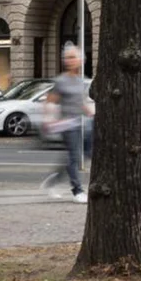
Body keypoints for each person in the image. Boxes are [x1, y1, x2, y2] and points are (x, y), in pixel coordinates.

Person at [42, 46, 93, 202]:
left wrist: (91, 113)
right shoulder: (61, 81)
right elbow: (50, 101)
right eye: (67, 57)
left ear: (81, 60)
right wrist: (49, 120)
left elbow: (80, 102)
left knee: (86, 153)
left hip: (81, 123)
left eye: (73, 57)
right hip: (66, 124)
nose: (70, 61)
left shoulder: (81, 80)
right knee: (74, 156)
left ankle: (53, 181)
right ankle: (77, 190)